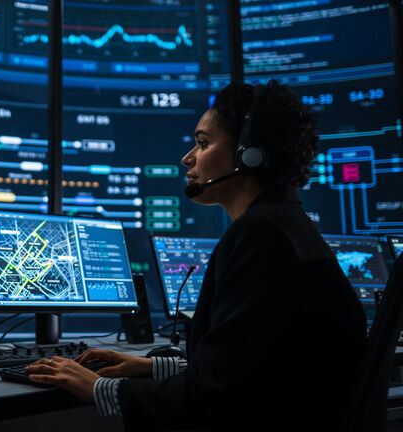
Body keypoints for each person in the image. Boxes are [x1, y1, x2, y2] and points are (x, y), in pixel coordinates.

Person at [24, 80, 367, 430]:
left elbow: (210, 401)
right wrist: (154, 366)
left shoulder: (260, 236)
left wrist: (98, 386)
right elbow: (254, 367)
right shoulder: (289, 225)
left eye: (203, 143)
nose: (187, 158)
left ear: (248, 154)